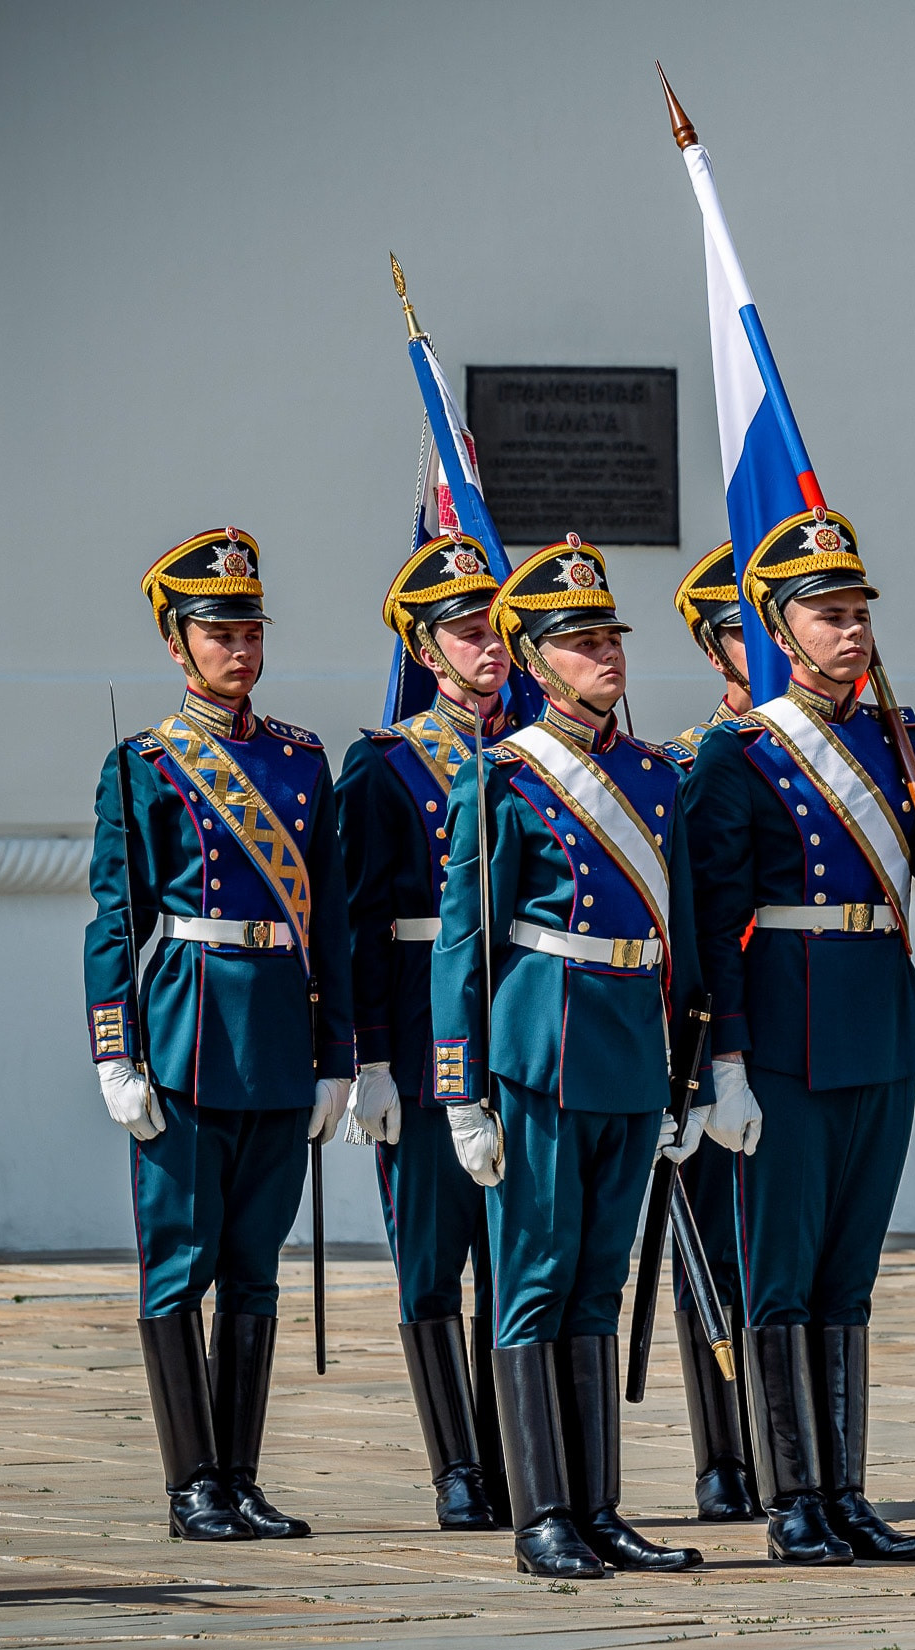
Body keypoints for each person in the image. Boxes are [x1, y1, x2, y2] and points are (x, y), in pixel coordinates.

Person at [681, 507, 915, 1567]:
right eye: (828, 615)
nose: (851, 631)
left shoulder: (897, 734)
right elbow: (714, 922)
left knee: (850, 1273)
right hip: (784, 1030)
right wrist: (723, 1061)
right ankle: (793, 1498)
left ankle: (846, 1492)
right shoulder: (739, 753)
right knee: (780, 1272)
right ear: (780, 630)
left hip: (879, 1018)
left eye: (858, 613)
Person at [428, 536, 707, 1580]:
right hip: (542, 1048)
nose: (608, 655)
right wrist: (460, 1090)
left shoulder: (656, 775)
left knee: (599, 1283)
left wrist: (693, 1070)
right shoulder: (502, 778)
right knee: (535, 1280)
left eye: (610, 638)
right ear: (537, 662)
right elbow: (464, 941)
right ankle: (542, 1513)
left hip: (631, 1046)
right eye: (582, 642)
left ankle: (599, 1508)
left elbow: (685, 934)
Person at [85, 527, 354, 1542]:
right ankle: (189, 1484)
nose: (240, 649)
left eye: (250, 630)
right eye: (218, 633)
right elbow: (115, 921)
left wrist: (337, 1055)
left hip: (280, 1033)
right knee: (179, 1262)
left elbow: (330, 917)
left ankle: (239, 1478)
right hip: (188, 1033)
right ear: (177, 643)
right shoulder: (146, 765)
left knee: (255, 1263)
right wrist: (115, 1049)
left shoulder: (301, 761)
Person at [337, 534, 514, 1531]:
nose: (489, 645)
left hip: (522, 1024)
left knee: (515, 1254)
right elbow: (360, 922)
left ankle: (513, 1452)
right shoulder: (384, 766)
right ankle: (458, 1466)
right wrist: (364, 1055)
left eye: (497, 627)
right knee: (433, 1256)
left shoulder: (539, 752)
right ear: (423, 647)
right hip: (418, 1037)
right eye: (465, 630)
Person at [657, 541, 762, 1523]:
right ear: (710, 647)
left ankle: (788, 1447)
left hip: (804, 1019)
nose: (761, 645)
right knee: (713, 1248)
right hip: (710, 1029)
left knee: (787, 1248)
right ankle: (723, 1455)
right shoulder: (686, 763)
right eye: (741, 631)